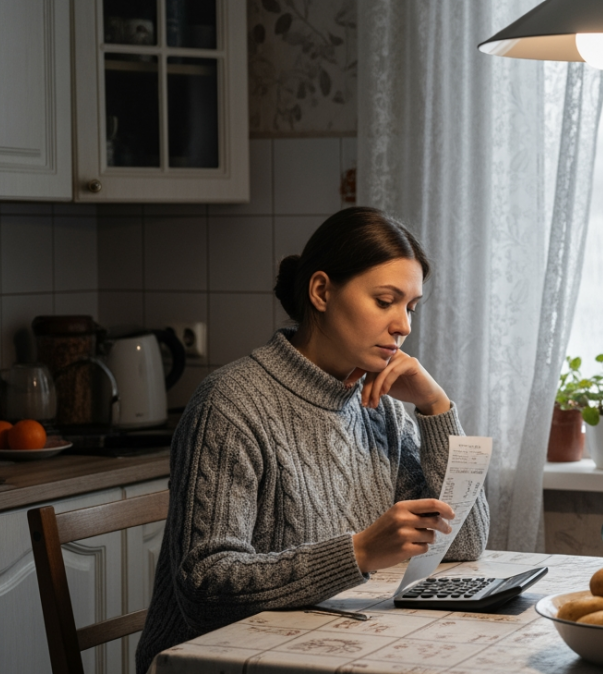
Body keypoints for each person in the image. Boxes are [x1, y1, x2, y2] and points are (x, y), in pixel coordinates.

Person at [135, 207, 489, 672]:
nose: (403, 325)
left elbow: (464, 543)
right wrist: (359, 552)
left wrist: (436, 408)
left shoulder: (380, 406)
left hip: (339, 653)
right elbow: (206, 587)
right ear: (321, 291)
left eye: (411, 307)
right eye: (385, 301)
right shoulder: (230, 403)